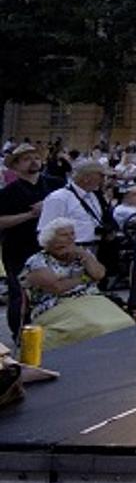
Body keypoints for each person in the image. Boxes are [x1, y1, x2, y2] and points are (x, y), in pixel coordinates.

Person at [20, 218, 133, 349]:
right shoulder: (37, 261)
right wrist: (84, 278)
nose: (70, 238)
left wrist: (85, 256)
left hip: (90, 298)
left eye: (72, 233)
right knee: (99, 328)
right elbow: (57, 287)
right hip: (56, 304)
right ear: (50, 239)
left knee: (125, 322)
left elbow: (99, 274)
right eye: (64, 235)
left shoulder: (81, 253)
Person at [0, 143, 51, 340]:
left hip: (49, 247)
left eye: (36, 158)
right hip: (18, 248)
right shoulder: (8, 192)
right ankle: (19, 334)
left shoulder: (54, 185)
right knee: (19, 295)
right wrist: (31, 214)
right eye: (27, 159)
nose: (33, 162)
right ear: (16, 165)